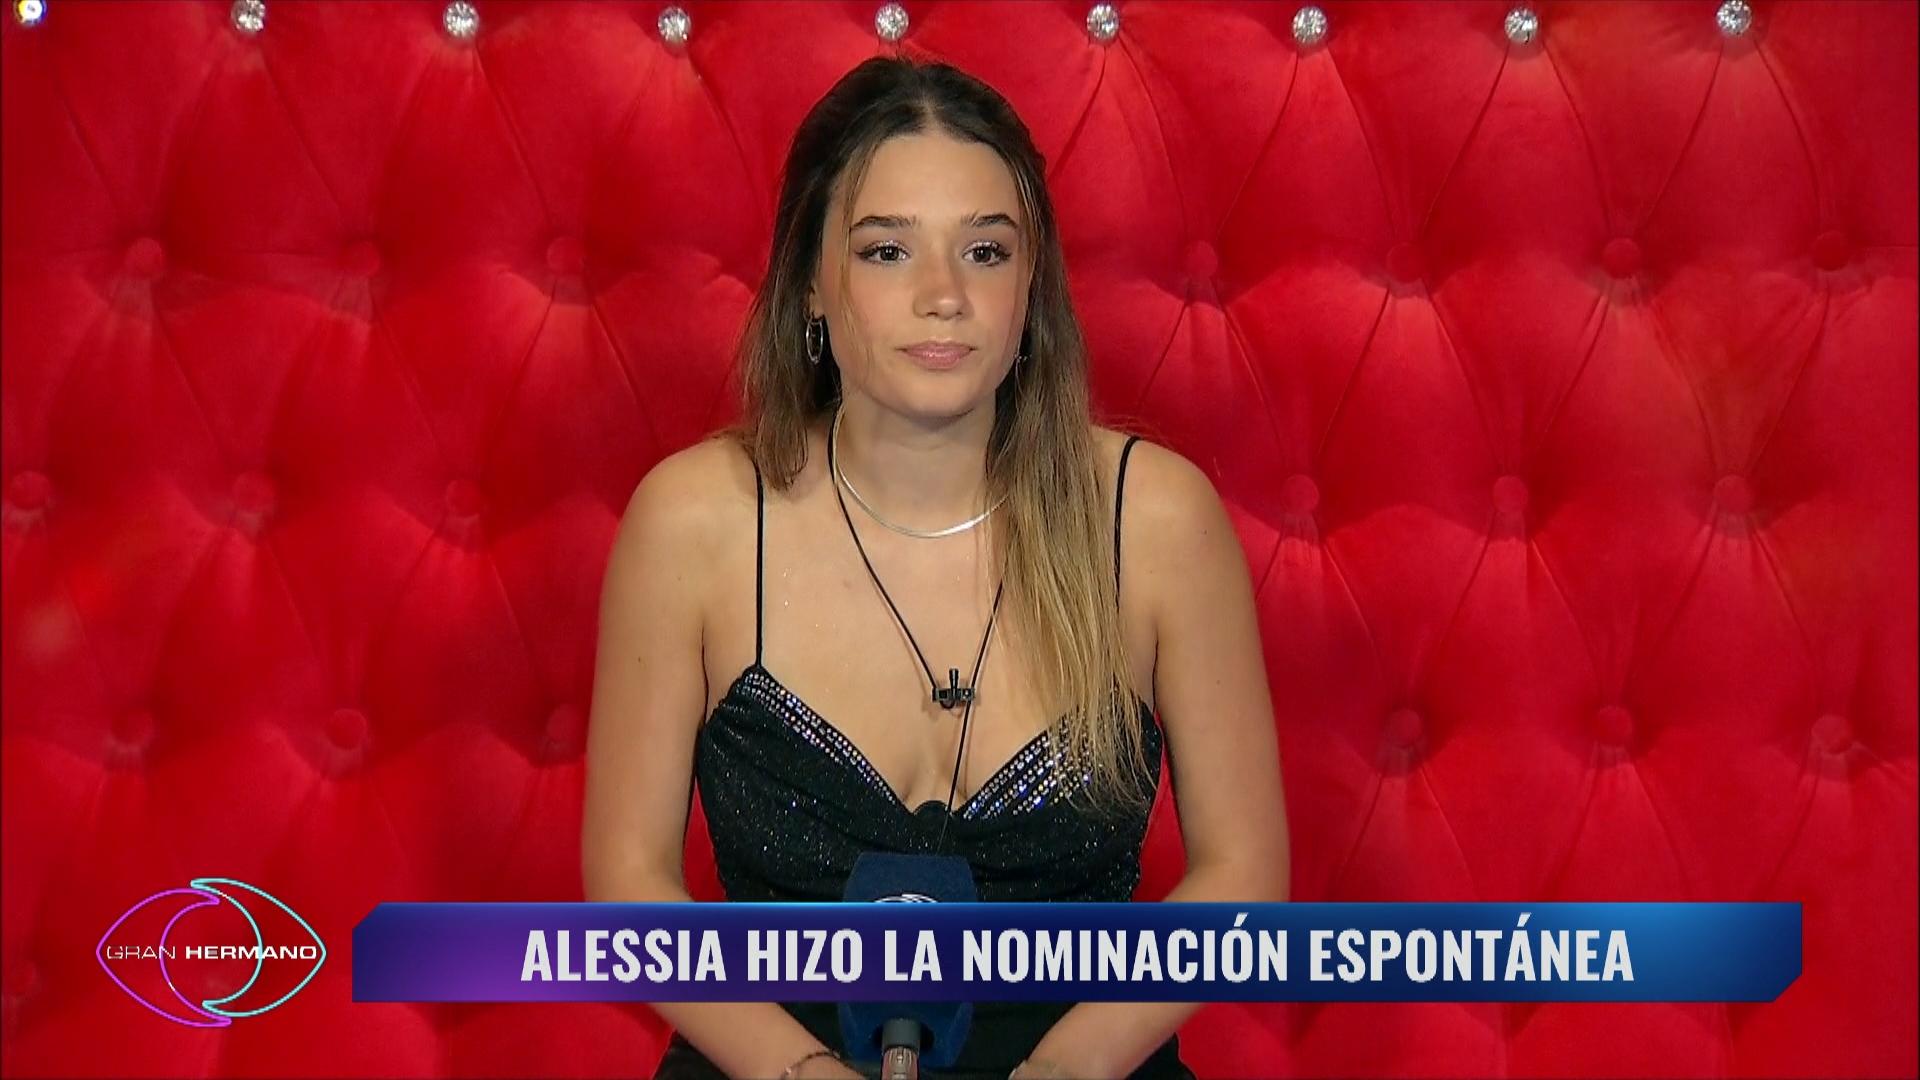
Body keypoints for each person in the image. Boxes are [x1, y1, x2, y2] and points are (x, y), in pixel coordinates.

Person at [582, 56, 1289, 1080]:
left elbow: (1244, 875)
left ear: (1030, 288)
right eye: (886, 251)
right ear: (811, 284)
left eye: (985, 251)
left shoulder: (1157, 522)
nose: (944, 296)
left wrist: (1068, 1068)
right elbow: (629, 886)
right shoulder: (693, 523)